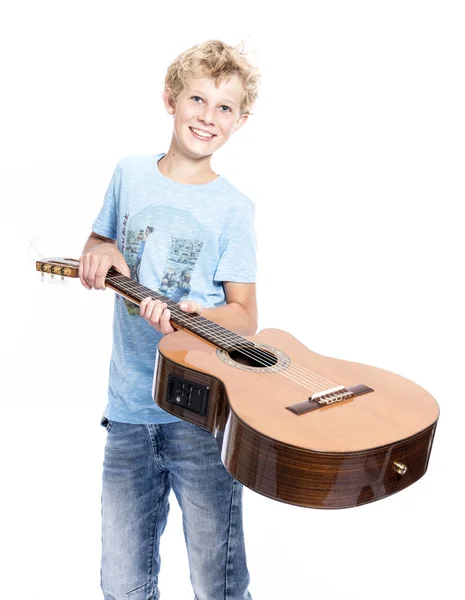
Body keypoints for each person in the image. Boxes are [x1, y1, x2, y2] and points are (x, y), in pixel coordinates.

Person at [78, 40, 260, 600]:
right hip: (129, 411)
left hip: (202, 416)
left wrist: (197, 317)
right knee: (122, 584)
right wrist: (98, 253)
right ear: (170, 100)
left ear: (240, 119)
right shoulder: (129, 174)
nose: (208, 116)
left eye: (224, 107)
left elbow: (246, 316)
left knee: (219, 583)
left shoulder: (234, 207)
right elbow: (99, 244)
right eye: (197, 100)